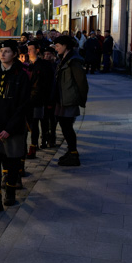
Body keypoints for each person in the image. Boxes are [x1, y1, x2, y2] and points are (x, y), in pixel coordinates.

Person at [0, 41, 31, 214]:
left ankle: (10, 192)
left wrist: (10, 128)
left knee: (12, 160)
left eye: (7, 51)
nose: (3, 54)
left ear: (14, 54)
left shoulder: (21, 75)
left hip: (13, 127)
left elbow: (23, 105)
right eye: (1, 51)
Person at [52, 35, 88, 166]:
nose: (56, 49)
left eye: (57, 46)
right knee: (65, 126)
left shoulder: (73, 61)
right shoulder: (64, 59)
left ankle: (73, 154)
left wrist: (81, 100)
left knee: (67, 127)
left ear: (65, 46)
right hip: (63, 99)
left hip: (69, 100)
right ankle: (71, 151)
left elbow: (82, 82)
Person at [26, 41, 53, 158]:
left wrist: (48, 100)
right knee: (30, 123)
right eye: (28, 49)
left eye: (31, 49)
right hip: (27, 100)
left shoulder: (44, 65)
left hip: (39, 99)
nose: (28, 51)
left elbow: (48, 84)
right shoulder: (26, 64)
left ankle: (34, 145)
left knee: (36, 122)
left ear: (37, 50)